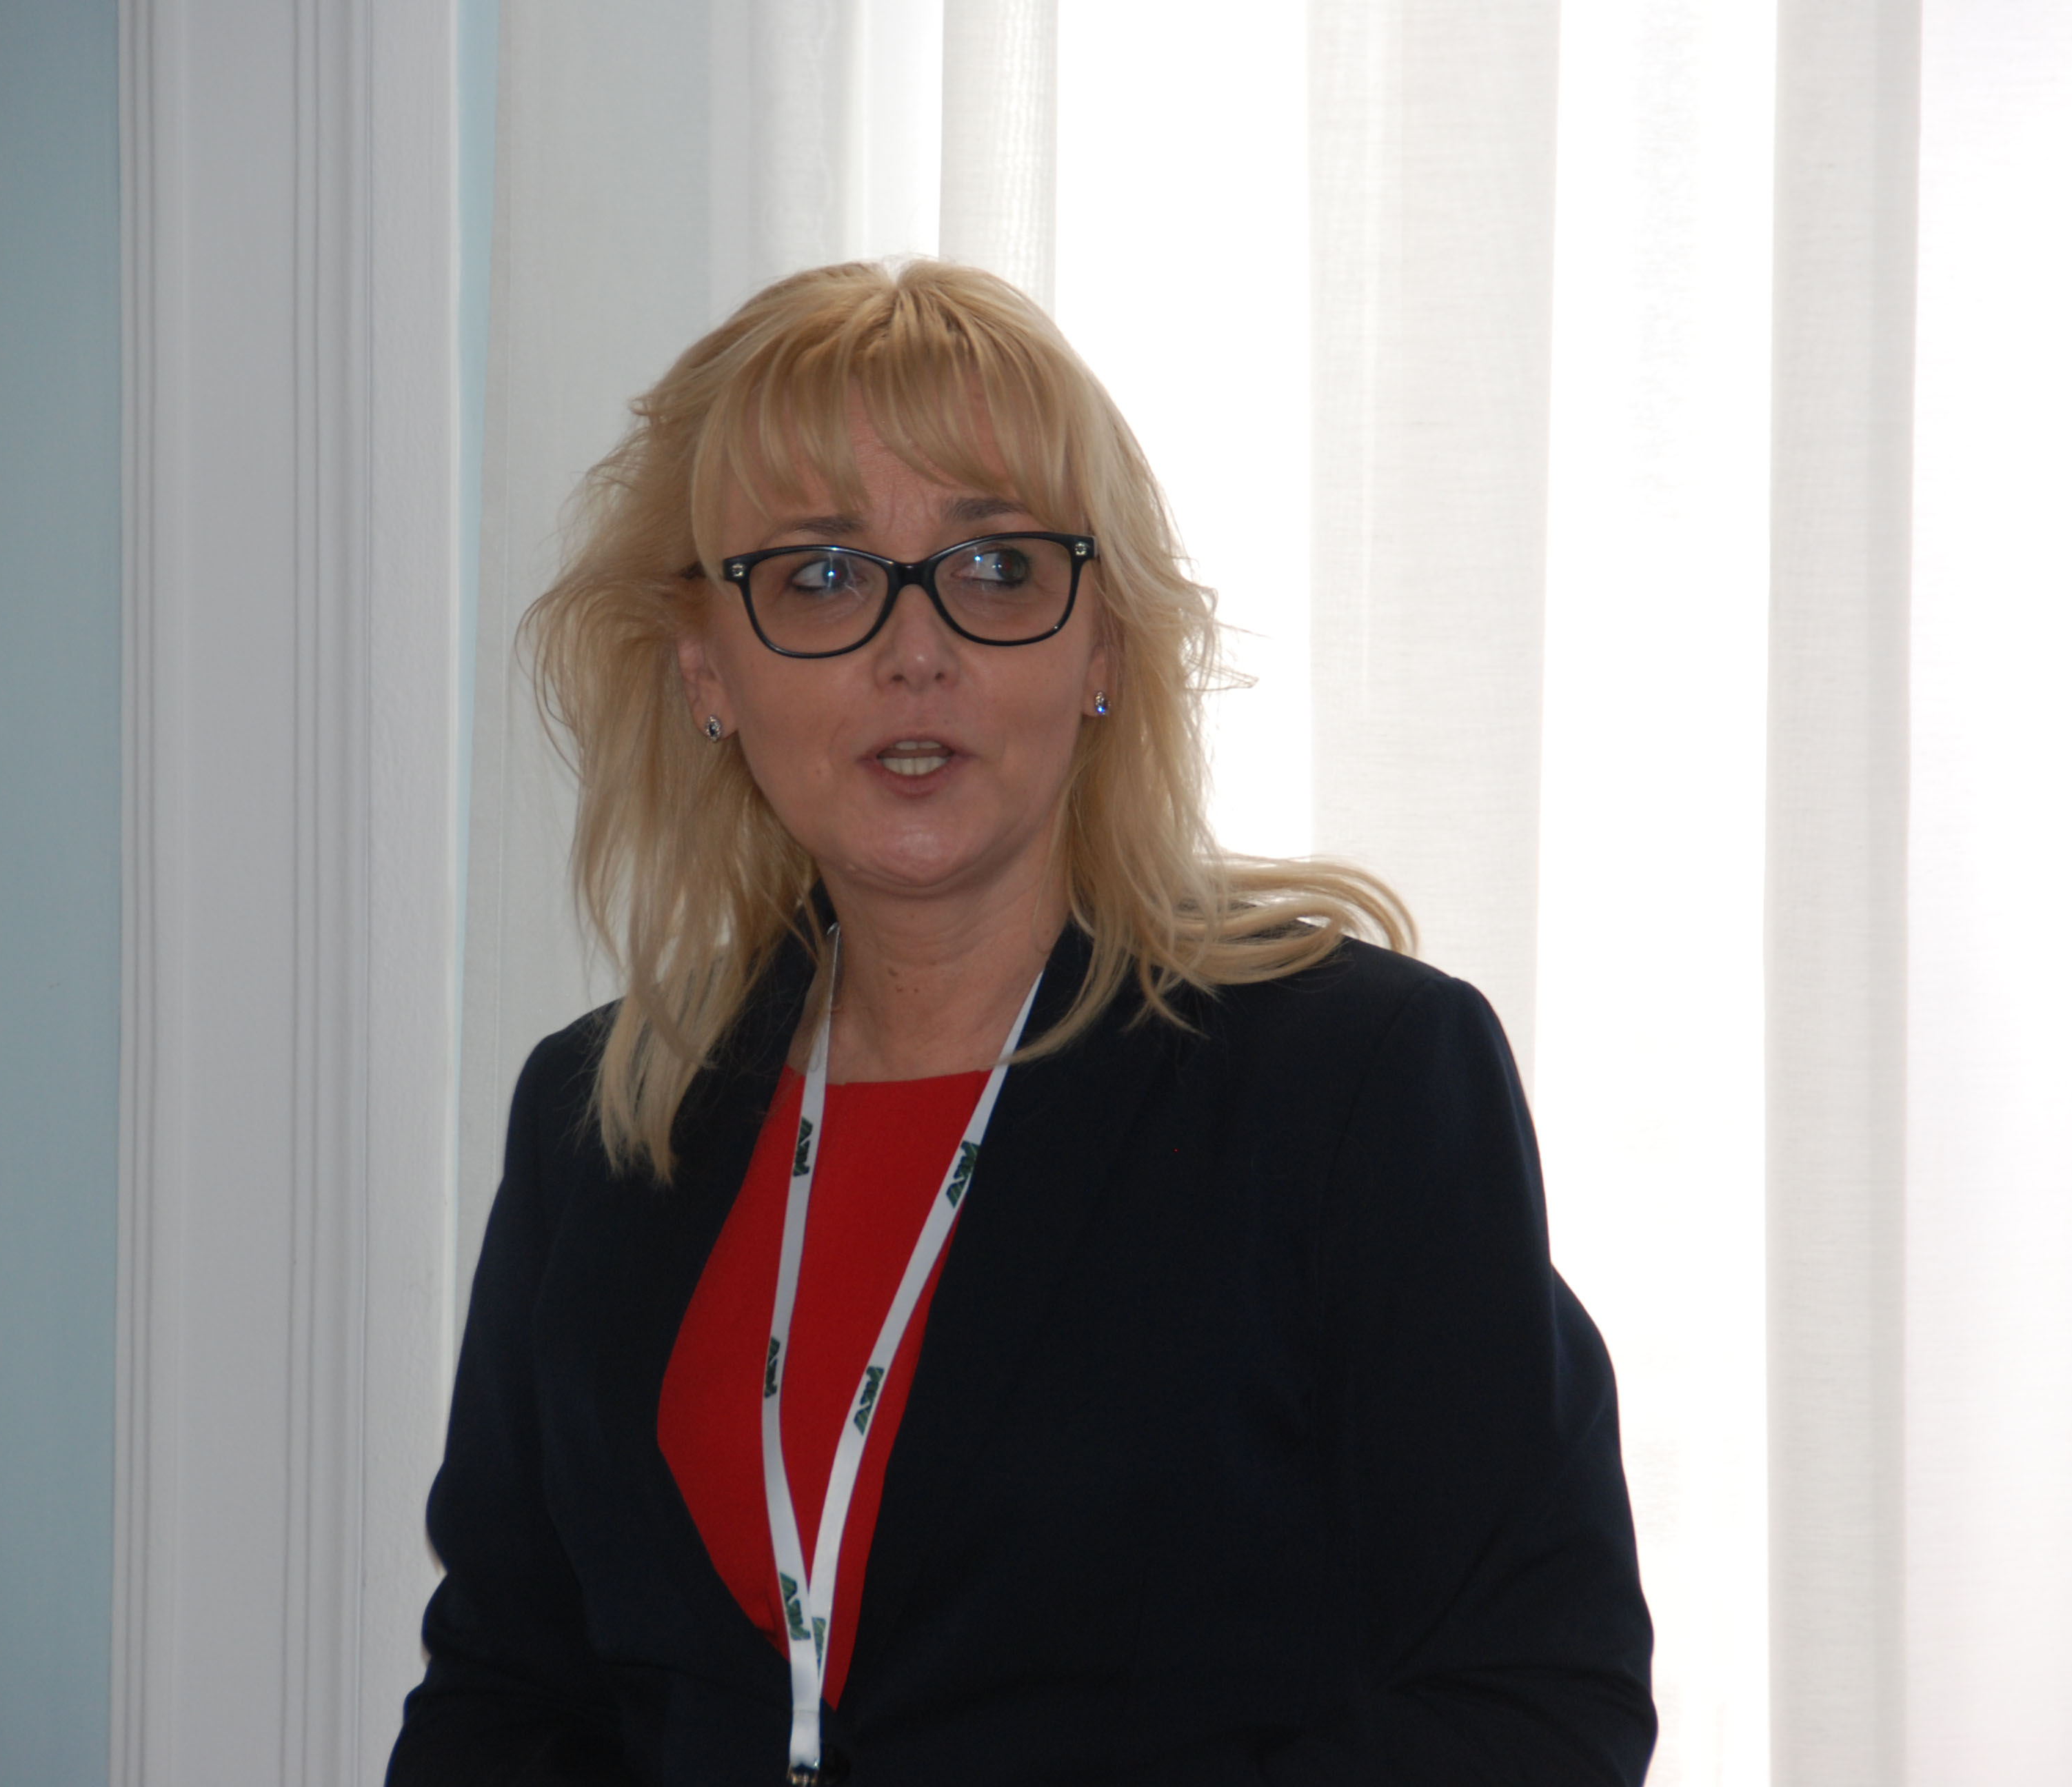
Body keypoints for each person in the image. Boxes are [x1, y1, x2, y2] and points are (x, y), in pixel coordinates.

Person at [386, 259, 1655, 1786]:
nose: (914, 651)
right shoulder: (598, 1116)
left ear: (1102, 647)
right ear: (705, 667)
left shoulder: (1352, 1081)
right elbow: (504, 1698)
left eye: (994, 568)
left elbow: (1535, 1697)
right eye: (821, 575)